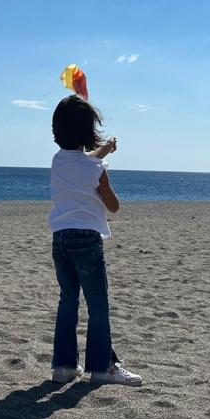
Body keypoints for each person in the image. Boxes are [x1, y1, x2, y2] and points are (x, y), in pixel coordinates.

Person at [48, 95, 142, 387]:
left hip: (60, 237)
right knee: (97, 304)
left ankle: (63, 366)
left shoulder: (57, 161)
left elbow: (82, 160)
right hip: (86, 239)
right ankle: (103, 368)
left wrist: (107, 148)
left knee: (68, 300)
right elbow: (114, 206)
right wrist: (103, 176)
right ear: (88, 130)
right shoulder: (96, 169)